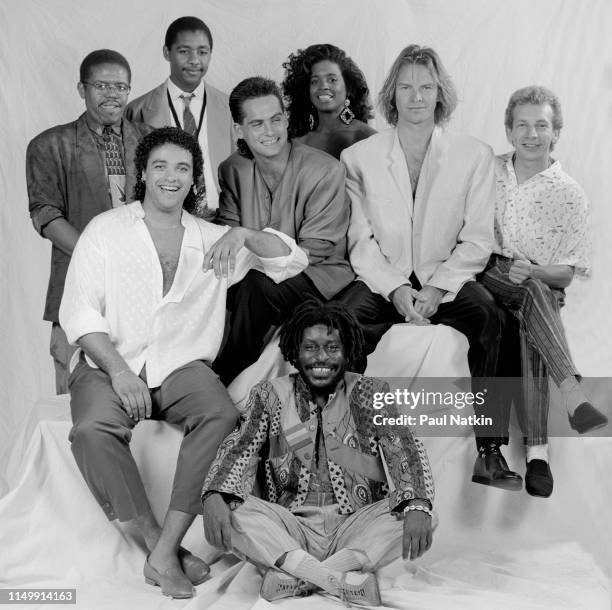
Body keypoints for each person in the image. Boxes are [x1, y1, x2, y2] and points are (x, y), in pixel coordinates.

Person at [59, 127, 308, 599]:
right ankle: (162, 547)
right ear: (143, 174)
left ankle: (163, 549)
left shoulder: (213, 239)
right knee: (91, 431)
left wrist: (243, 234)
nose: (171, 177)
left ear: (194, 178)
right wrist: (118, 371)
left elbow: (293, 260)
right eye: (160, 166)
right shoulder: (106, 230)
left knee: (221, 415)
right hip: (108, 363)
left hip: (181, 367)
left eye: (182, 168)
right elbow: (80, 312)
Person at [338, 45, 521, 489]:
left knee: (493, 321)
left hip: (448, 277)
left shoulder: (473, 155)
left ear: (440, 93)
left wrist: (438, 289)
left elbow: (478, 238)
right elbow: (359, 242)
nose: (416, 97)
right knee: (341, 324)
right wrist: (397, 290)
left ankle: (490, 453)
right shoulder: (359, 158)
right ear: (391, 95)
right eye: (405, 87)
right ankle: (343, 448)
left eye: (426, 87)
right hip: (386, 277)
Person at [202, 301, 435, 606]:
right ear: (294, 352)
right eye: (310, 348)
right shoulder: (269, 395)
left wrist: (417, 503)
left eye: (331, 347)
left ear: (347, 349)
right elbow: (241, 448)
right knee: (228, 506)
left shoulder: (373, 393)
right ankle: (340, 581)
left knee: (422, 511)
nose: (321, 357)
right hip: (290, 527)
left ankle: (296, 576)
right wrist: (214, 496)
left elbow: (404, 447)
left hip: (355, 527)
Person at [479, 86, 608, 497]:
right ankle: (558, 417)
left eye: (542, 125)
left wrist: (534, 271)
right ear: (508, 129)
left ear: (557, 133)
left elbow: (567, 273)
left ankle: (537, 456)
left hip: (540, 286)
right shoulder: (489, 171)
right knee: (531, 292)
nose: (531, 134)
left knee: (532, 313)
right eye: (522, 125)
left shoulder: (568, 193)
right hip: (490, 272)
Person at [212, 77, 354, 385]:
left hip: (319, 275)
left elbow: (314, 250)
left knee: (255, 287)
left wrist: (248, 239)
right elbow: (227, 235)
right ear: (239, 130)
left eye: (276, 119)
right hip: (255, 272)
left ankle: (223, 377)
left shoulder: (325, 170)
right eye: (258, 123)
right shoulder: (232, 169)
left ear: (286, 119)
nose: (270, 132)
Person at [26, 49, 151, 394]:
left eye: (121, 87)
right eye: (102, 85)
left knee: (142, 393)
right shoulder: (50, 145)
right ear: (82, 89)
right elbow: (46, 215)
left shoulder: (151, 141)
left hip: (143, 286)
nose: (113, 94)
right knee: (74, 402)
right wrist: (99, 258)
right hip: (77, 283)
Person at [125, 16, 232, 216]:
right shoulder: (138, 111)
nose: (194, 60)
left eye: (202, 52)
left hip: (223, 216)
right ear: (167, 53)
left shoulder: (230, 108)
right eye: (184, 51)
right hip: (164, 217)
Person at [282, 43, 376, 159]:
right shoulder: (297, 142)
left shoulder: (366, 137)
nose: (323, 86)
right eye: (314, 81)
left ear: (349, 87)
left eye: (332, 79)